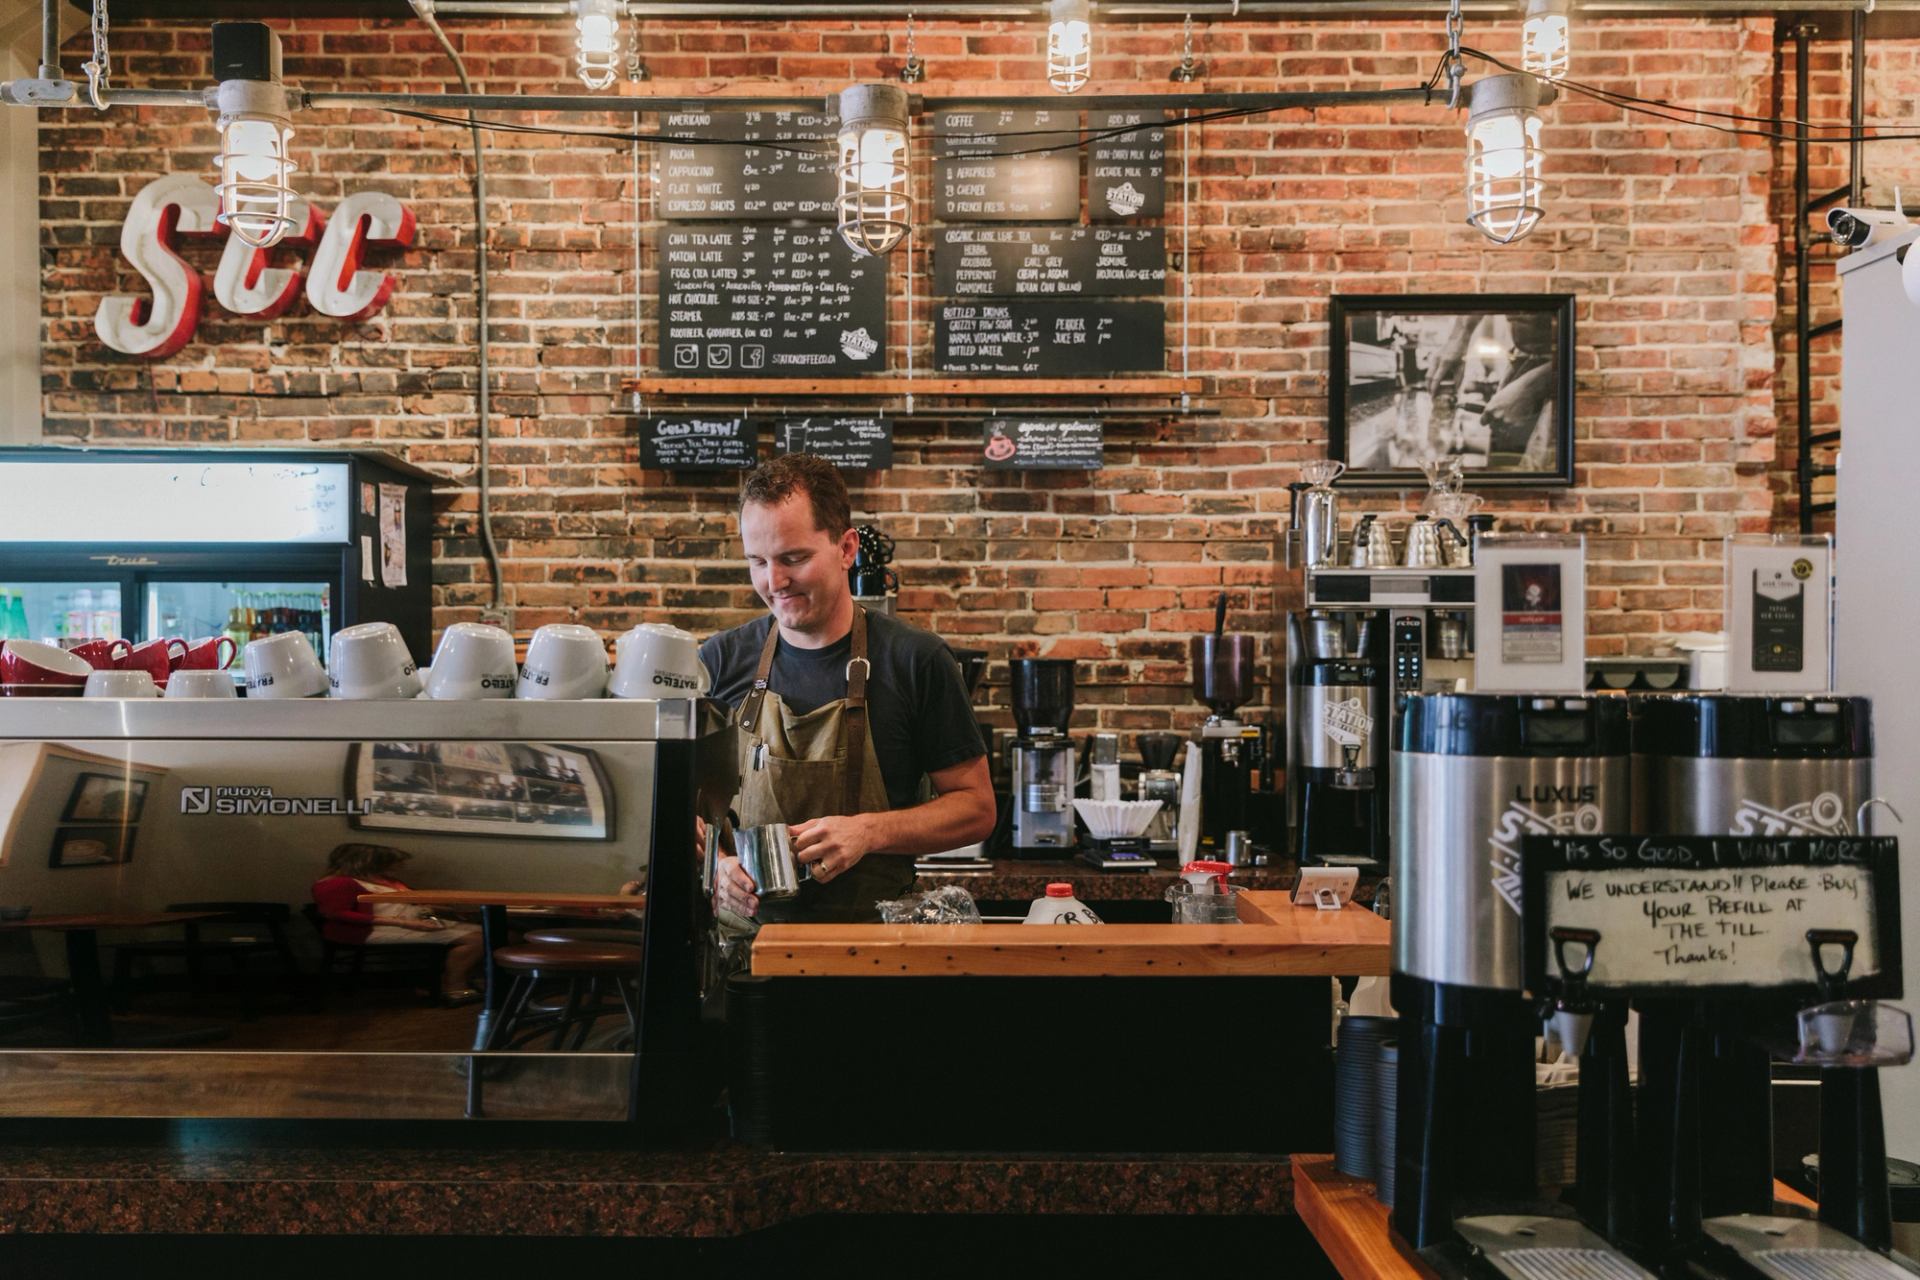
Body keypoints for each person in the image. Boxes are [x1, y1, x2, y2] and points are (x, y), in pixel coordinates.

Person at [703, 454, 997, 924]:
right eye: (757, 561)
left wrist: (870, 831)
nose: (774, 582)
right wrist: (714, 867)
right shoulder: (719, 661)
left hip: (870, 956)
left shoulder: (916, 661)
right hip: (744, 958)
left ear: (846, 549)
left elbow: (976, 808)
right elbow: (679, 808)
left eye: (793, 558)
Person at [311, 842, 485, 1005]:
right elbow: (336, 913)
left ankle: (441, 982)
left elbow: (412, 903)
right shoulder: (338, 882)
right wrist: (404, 923)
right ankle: (454, 988)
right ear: (368, 862)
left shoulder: (386, 881)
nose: (399, 866)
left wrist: (453, 911)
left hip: (411, 923)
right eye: (393, 862)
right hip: (371, 930)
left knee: (491, 932)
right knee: (477, 940)